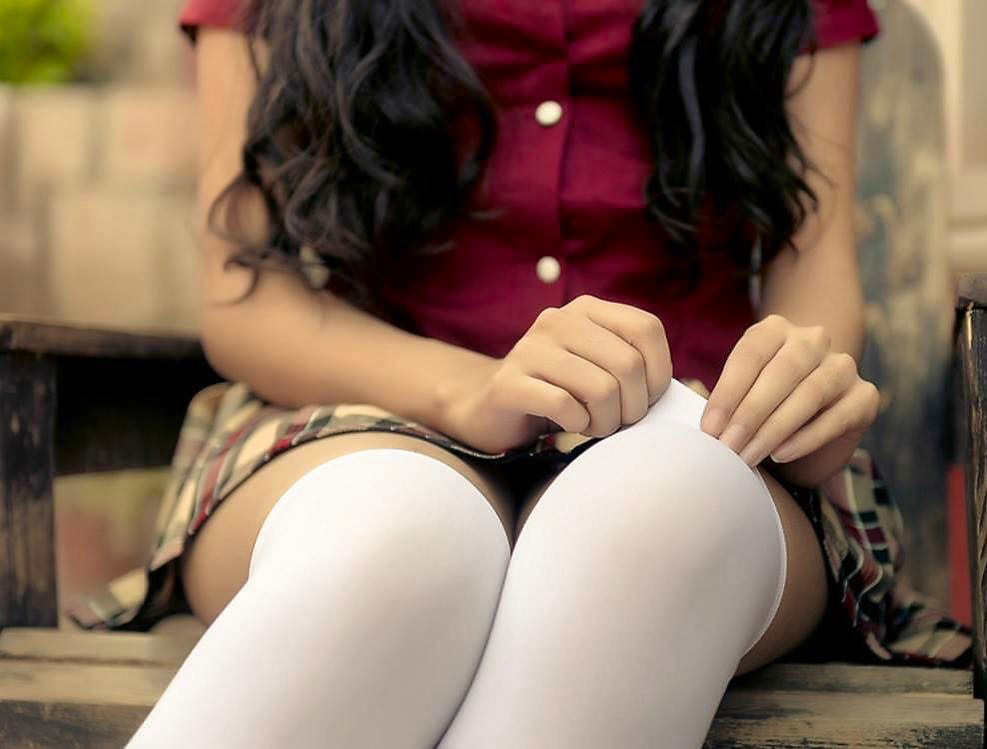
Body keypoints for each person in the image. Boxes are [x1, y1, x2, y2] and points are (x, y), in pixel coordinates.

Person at [66, 1, 972, 747]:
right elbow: (248, 301)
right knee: (393, 538)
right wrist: (474, 390)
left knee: (657, 517)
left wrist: (799, 390)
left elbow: (813, 280)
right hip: (364, 417)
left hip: (696, 433)